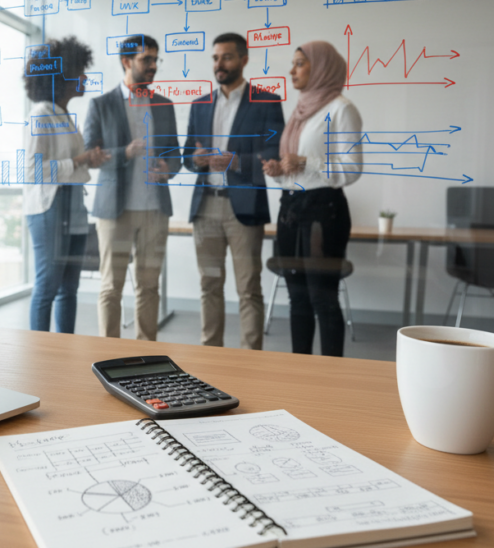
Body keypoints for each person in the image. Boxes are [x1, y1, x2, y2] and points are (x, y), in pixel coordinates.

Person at [183, 33, 284, 350]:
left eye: (226, 57)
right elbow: (187, 155)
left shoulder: (266, 101)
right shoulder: (200, 106)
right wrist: (196, 160)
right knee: (209, 285)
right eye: (215, 58)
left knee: (248, 288)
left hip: (244, 208)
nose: (219, 64)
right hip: (205, 207)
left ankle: (250, 361)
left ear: (244, 59)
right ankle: (211, 354)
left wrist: (236, 161)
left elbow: (274, 153)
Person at [262, 41, 362, 357]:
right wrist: (278, 170)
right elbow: (295, 168)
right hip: (291, 207)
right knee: (297, 297)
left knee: (322, 297)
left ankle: (331, 377)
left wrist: (306, 162)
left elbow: (353, 169)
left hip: (323, 211)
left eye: (299, 63)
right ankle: (300, 370)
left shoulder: (341, 109)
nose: (292, 70)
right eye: (292, 64)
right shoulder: (301, 111)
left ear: (320, 67)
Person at [84, 35, 181, 341]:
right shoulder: (101, 105)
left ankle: (146, 354)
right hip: (115, 210)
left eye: (156, 60)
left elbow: (175, 156)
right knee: (111, 286)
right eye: (146, 60)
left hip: (155, 209)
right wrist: (124, 153)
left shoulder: (164, 106)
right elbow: (91, 155)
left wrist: (169, 168)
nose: (153, 66)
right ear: (126, 62)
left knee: (150, 286)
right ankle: (108, 355)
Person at [24, 37, 110, 333]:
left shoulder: (63, 116)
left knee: (69, 287)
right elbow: (33, 171)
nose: (85, 77)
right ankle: (39, 354)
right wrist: (78, 160)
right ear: (61, 76)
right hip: (50, 207)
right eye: (79, 71)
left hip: (73, 204)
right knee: (48, 286)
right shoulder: (40, 115)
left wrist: (89, 160)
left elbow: (71, 162)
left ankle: (65, 350)